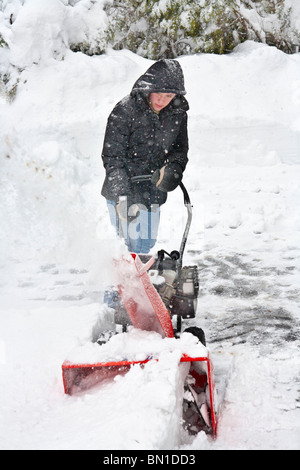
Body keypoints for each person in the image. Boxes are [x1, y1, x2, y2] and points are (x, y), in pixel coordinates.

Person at [101, 58, 189, 255]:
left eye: (168, 95)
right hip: (123, 188)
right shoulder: (125, 111)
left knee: (145, 246)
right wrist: (122, 196)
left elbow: (179, 150)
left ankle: (140, 285)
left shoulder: (178, 113)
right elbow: (112, 156)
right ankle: (119, 285)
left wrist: (174, 169)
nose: (161, 100)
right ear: (148, 88)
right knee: (126, 249)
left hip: (152, 190)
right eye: (157, 93)